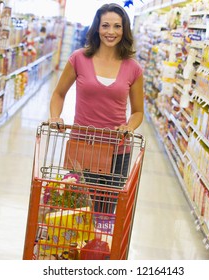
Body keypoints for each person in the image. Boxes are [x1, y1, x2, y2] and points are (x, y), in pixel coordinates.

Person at [48, 3, 144, 214]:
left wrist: (129, 126)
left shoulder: (133, 68)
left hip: (117, 150)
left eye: (117, 26)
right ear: (97, 28)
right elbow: (58, 93)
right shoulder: (79, 59)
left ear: (124, 30)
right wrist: (56, 116)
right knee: (76, 211)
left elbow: (138, 111)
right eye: (106, 26)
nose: (111, 32)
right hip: (82, 145)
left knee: (107, 215)